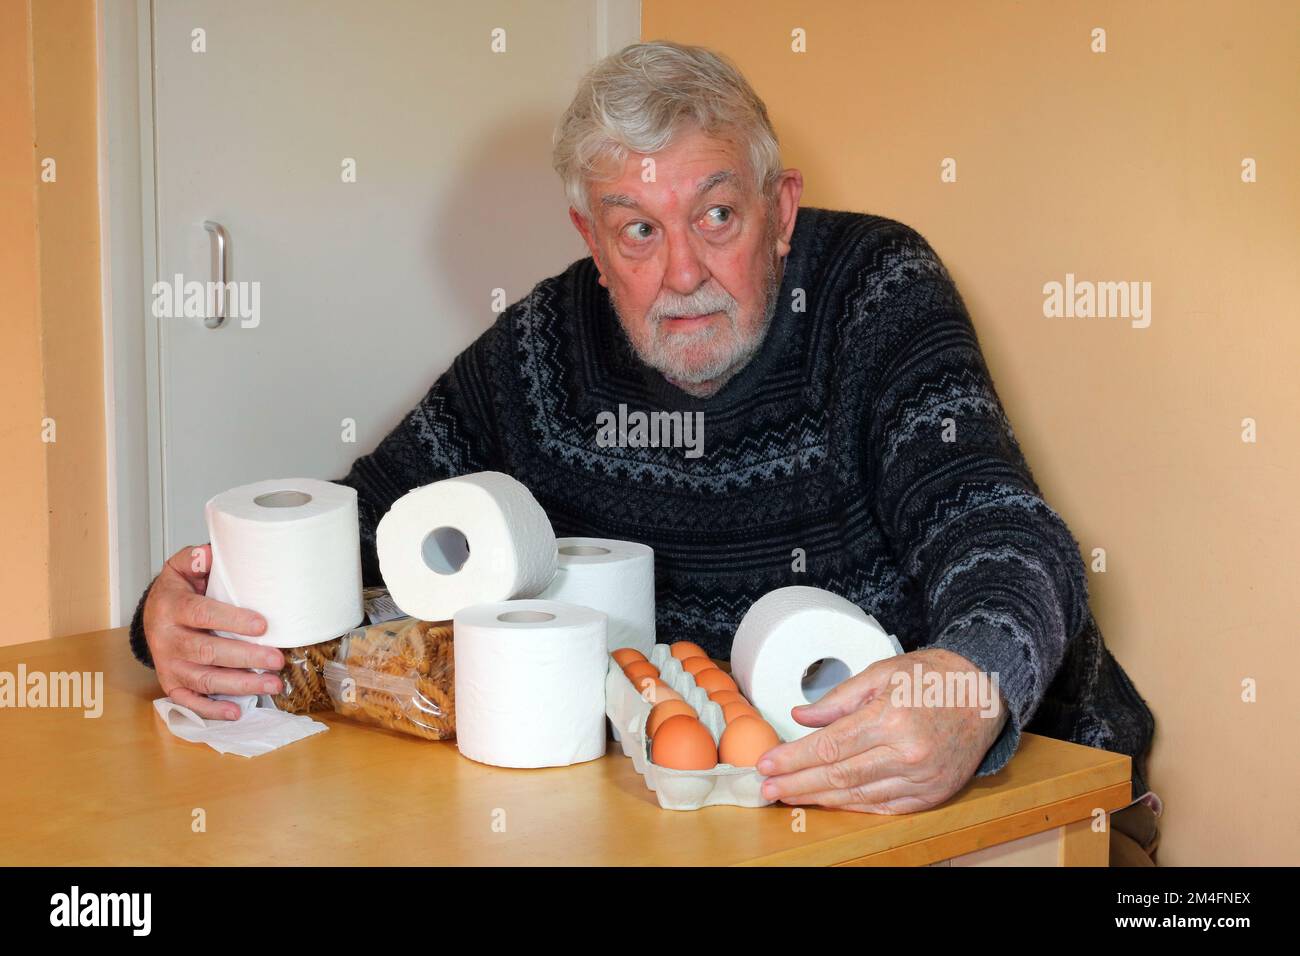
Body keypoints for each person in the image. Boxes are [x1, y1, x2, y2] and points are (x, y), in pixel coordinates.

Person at [127, 41, 1155, 848]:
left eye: (715, 214)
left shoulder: (873, 292)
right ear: (591, 239)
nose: (682, 273)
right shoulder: (542, 345)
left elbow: (997, 527)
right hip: (718, 820)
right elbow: (364, 526)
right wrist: (173, 615)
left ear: (779, 209)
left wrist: (966, 684)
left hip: (1008, 807)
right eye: (638, 231)